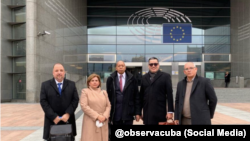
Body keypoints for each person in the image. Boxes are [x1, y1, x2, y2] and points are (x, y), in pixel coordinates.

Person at [40, 63, 79, 141]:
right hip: (52, 121)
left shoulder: (71, 84)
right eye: (56, 70)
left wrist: (68, 114)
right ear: (53, 73)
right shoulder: (45, 85)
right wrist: (53, 116)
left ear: (64, 72)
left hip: (68, 120)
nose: (59, 72)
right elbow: (43, 101)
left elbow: (75, 100)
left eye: (61, 70)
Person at [139, 57, 174, 125]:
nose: (153, 66)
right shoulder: (144, 77)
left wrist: (170, 111)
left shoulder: (166, 76)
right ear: (148, 65)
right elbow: (141, 96)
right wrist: (139, 112)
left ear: (158, 65)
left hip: (160, 112)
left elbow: (170, 94)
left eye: (155, 64)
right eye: (151, 64)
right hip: (147, 113)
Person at [106, 60, 141, 125]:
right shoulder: (110, 79)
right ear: (116, 68)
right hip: (115, 113)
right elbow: (108, 97)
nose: (121, 67)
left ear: (125, 67)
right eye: (119, 66)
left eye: (122, 66)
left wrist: (137, 113)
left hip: (128, 113)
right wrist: (108, 113)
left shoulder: (132, 79)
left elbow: (137, 97)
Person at [80, 73, 111, 141]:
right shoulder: (85, 91)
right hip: (90, 120)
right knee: (90, 138)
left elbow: (108, 105)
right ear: (89, 83)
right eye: (92, 80)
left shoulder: (104, 92)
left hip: (103, 121)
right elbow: (84, 106)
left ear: (99, 82)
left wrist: (105, 116)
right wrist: (97, 116)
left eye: (96, 80)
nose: (95, 82)